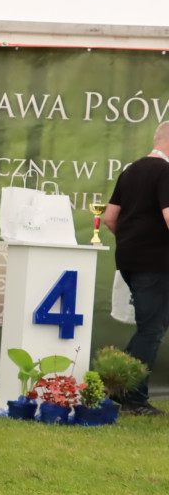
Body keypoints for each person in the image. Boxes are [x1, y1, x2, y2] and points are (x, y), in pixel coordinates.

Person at [102, 120, 169, 416]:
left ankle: (118, 388)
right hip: (157, 263)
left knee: (150, 327)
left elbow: (109, 217)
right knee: (151, 330)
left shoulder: (130, 170)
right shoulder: (166, 172)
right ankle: (134, 399)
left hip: (128, 260)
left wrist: (132, 242)